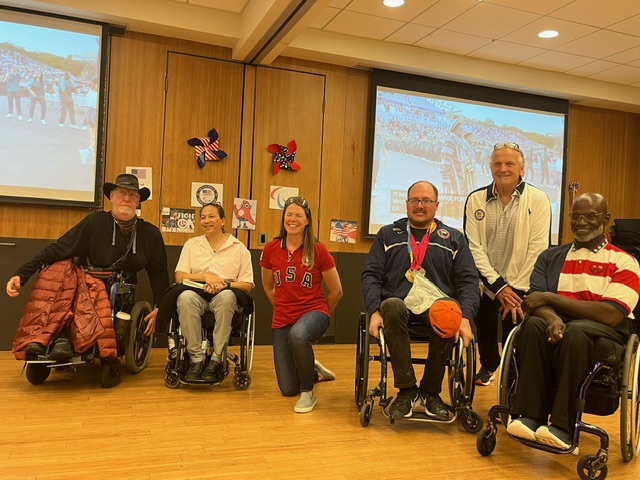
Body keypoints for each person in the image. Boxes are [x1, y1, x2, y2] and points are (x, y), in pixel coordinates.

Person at [506, 192, 640, 450]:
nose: (582, 222)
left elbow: (612, 313)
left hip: (606, 331)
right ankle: (528, 416)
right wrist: (553, 317)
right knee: (533, 325)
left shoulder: (624, 261)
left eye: (590, 216)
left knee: (576, 332)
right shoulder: (550, 257)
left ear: (605, 218)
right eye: (575, 217)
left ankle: (563, 427)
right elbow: (534, 302)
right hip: (557, 323)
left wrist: (551, 299)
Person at [6, 173, 170, 381]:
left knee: (93, 296)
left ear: (138, 201)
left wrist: (159, 306)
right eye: (122, 193)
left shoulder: (150, 234)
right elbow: (59, 248)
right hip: (86, 279)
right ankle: (50, 340)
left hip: (121, 286)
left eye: (132, 195)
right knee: (58, 280)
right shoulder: (94, 222)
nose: (126, 199)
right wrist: (22, 273)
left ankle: (87, 348)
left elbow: (159, 272)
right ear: (112, 196)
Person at [361, 180, 480, 420]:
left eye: (426, 201)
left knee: (448, 312)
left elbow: (469, 282)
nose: (420, 205)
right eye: (414, 200)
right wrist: (374, 310)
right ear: (406, 204)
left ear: (436, 205)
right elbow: (371, 275)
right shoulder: (387, 234)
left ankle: (429, 392)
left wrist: (465, 317)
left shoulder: (453, 238)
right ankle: (406, 390)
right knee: (392, 305)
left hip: (435, 307)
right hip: (397, 306)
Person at [464, 142, 551, 386]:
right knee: (485, 326)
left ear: (522, 169)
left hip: (520, 283)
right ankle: (489, 365)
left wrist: (513, 288)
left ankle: (515, 375)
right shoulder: (475, 199)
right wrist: (498, 286)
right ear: (491, 168)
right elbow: (473, 247)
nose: (503, 168)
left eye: (510, 163)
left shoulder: (539, 199)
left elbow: (538, 249)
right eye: (497, 164)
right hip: (486, 282)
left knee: (515, 329)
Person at [260, 196, 343, 413]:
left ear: (307, 220)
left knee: (299, 334)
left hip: (313, 311)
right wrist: (281, 307)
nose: (293, 219)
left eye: (298, 215)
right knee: (287, 389)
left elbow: (336, 291)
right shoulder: (271, 249)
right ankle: (313, 371)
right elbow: (268, 287)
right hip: (282, 318)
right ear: (283, 218)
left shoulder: (318, 250)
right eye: (289, 214)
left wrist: (321, 314)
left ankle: (308, 392)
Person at [174, 203, 254, 382]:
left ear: (223, 220)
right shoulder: (192, 244)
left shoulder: (239, 248)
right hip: (198, 293)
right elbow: (180, 276)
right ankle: (196, 358)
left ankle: (218, 357)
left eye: (211, 216)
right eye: (203, 217)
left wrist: (224, 284)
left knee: (226, 297)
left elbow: (248, 285)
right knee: (185, 297)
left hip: (226, 295)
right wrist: (205, 277)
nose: (206, 221)